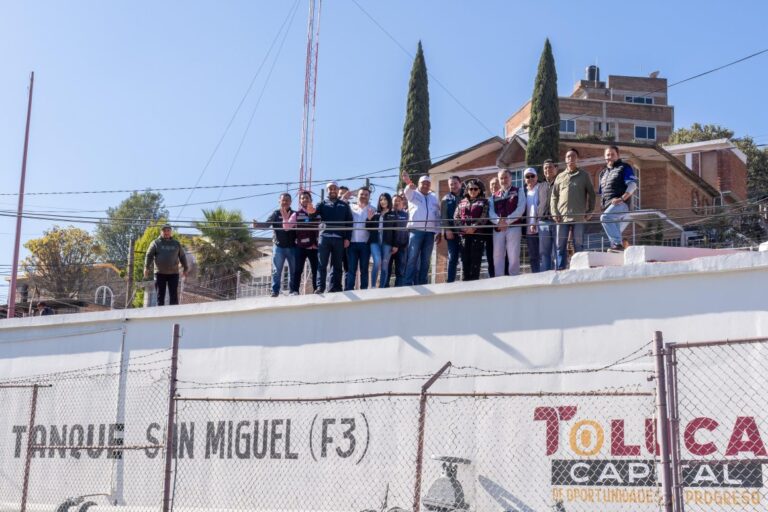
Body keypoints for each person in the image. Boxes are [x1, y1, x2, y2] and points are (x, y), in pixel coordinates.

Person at [551, 148, 596, 270]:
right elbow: (554, 197)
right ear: (565, 160)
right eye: (568, 157)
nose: (571, 159)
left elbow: (592, 194)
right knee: (560, 245)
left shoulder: (584, 175)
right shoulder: (560, 177)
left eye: (573, 156)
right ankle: (560, 269)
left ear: (577, 159)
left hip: (578, 217)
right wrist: (554, 213)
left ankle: (579, 269)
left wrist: (590, 211)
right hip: (562, 217)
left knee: (578, 245)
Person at [402, 172, 442, 286]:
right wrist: (408, 183)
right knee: (412, 258)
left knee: (426, 260)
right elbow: (407, 192)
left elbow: (437, 215)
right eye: (423, 183)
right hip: (416, 231)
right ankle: (408, 283)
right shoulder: (413, 194)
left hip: (430, 233)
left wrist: (438, 231)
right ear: (419, 184)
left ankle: (422, 283)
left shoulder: (434, 198)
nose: (425, 185)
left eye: (428, 183)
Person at [314, 181, 353, 293]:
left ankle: (335, 287)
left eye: (334, 188)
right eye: (330, 189)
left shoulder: (344, 205)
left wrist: (347, 238)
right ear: (327, 191)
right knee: (322, 264)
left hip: (339, 238)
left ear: (337, 190)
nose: (332, 191)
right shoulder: (322, 204)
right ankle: (320, 287)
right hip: (324, 237)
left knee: (337, 265)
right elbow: (313, 214)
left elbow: (349, 223)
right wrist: (311, 210)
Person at [255, 193, 296, 297]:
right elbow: (266, 225)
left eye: (287, 200)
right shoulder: (275, 214)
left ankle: (293, 291)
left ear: (291, 202)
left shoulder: (294, 214)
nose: (285, 202)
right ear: (279, 201)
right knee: (276, 271)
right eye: (283, 200)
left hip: (292, 247)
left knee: (293, 271)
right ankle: (275, 291)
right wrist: (257, 225)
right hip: (279, 247)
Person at [599, 146, 638, 251]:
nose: (610, 157)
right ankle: (618, 248)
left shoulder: (624, 167)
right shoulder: (603, 173)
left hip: (621, 204)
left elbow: (633, 185)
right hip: (608, 206)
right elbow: (602, 193)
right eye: (608, 155)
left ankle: (617, 244)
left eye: (613, 154)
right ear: (605, 157)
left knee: (605, 218)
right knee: (614, 226)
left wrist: (621, 198)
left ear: (618, 155)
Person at [489, 169, 526, 276]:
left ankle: (514, 277)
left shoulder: (519, 191)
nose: (504, 180)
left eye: (506, 177)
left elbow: (521, 209)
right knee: (498, 255)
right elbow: (490, 212)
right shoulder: (493, 196)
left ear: (511, 178)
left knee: (513, 254)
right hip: (498, 228)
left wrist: (507, 221)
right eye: (501, 178)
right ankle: (499, 278)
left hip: (514, 227)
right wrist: (498, 222)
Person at [144, 224, 189, 305]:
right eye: (164, 231)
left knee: (174, 296)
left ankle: (174, 314)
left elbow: (182, 256)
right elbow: (149, 255)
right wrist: (146, 267)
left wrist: (185, 268)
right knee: (160, 296)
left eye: (168, 231)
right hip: (159, 273)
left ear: (171, 232)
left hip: (173, 274)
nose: (166, 232)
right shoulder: (155, 243)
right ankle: (160, 315)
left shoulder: (176, 244)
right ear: (161, 232)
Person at [454, 178, 490, 281]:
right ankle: (465, 283)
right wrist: (464, 228)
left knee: (476, 260)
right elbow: (456, 217)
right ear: (467, 190)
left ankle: (474, 284)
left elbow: (484, 217)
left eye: (475, 189)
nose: (473, 191)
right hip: (464, 235)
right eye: (471, 189)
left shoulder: (484, 202)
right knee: (465, 260)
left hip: (477, 235)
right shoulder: (461, 202)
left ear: (479, 190)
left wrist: (474, 227)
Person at [284, 190, 319, 293]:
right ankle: (295, 291)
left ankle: (316, 289)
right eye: (302, 198)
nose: (305, 200)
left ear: (311, 200)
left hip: (314, 246)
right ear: (300, 201)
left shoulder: (317, 213)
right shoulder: (296, 214)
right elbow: (287, 227)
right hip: (301, 246)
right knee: (297, 270)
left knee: (315, 270)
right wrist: (285, 220)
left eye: (307, 198)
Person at [346, 187, 374, 290]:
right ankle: (349, 290)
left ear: (369, 197)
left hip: (365, 244)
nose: (363, 196)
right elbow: (342, 201)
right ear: (357, 195)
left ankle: (364, 290)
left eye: (366, 195)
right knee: (351, 269)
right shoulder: (351, 207)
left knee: (364, 269)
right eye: (361, 194)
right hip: (352, 243)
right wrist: (351, 193)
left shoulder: (372, 209)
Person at [368, 193, 399, 288]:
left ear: (389, 201)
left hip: (388, 242)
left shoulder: (393, 214)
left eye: (385, 199)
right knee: (377, 261)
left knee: (385, 264)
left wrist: (395, 245)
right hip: (375, 241)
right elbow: (368, 228)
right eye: (381, 200)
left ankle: (381, 287)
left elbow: (396, 231)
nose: (383, 201)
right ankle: (373, 286)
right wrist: (369, 219)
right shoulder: (375, 214)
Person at [523, 167, 548, 273]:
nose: (530, 178)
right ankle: (536, 275)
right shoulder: (523, 192)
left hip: (540, 226)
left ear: (537, 177)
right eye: (527, 177)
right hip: (529, 229)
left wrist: (534, 222)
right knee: (533, 255)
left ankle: (546, 274)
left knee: (544, 253)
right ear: (525, 179)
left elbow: (537, 207)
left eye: (532, 176)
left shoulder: (541, 188)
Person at [441, 176, 463, 283]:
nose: (453, 186)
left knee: (465, 257)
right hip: (451, 233)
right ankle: (450, 281)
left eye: (455, 183)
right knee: (452, 257)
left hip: (465, 232)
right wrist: (447, 229)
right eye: (451, 184)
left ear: (460, 183)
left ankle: (465, 280)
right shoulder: (445, 199)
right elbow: (443, 216)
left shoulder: (467, 195)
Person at [538, 159, 559, 271]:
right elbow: (538, 203)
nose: (548, 170)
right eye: (545, 168)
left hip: (557, 221)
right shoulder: (540, 186)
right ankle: (545, 274)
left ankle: (558, 273)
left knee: (557, 250)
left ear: (556, 169)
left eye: (550, 167)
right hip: (543, 222)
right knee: (544, 252)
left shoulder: (560, 182)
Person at [390, 194, 410, 287]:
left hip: (402, 248)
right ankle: (384, 290)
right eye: (395, 200)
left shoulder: (406, 215)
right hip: (388, 247)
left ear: (402, 203)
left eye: (399, 201)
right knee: (386, 271)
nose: (396, 202)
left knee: (401, 272)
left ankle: (399, 291)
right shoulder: (387, 214)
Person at [486, 177, 500, 277]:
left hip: (502, 230)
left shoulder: (504, 198)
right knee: (490, 256)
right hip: (490, 234)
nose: (494, 186)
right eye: (492, 184)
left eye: (496, 183)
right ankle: (492, 277)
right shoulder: (487, 201)